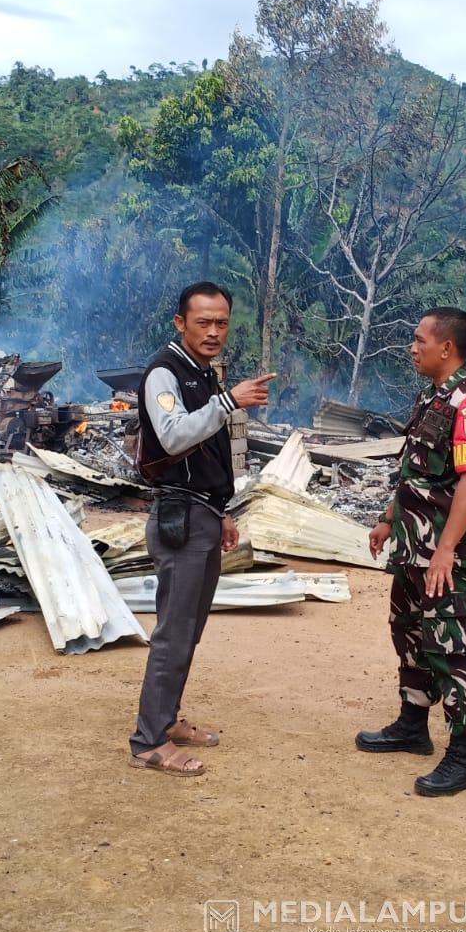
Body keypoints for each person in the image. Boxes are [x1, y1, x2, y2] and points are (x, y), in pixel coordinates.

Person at [127, 282, 275, 778]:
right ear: (180, 323)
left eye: (222, 323)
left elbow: (208, 451)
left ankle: (166, 720)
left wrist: (224, 510)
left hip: (203, 513)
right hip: (180, 519)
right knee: (174, 632)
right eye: (203, 323)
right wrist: (230, 401)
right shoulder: (164, 373)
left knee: (190, 630)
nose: (214, 332)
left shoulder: (202, 372)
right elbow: (172, 436)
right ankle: (148, 740)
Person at [359, 308, 466, 797]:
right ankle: (412, 725)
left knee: (450, 644)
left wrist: (445, 551)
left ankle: (465, 757)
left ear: (447, 348)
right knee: (410, 632)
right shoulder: (429, 397)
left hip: (444, 553)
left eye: (420, 341)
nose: (412, 348)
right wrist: (386, 518)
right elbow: (414, 472)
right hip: (411, 544)